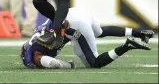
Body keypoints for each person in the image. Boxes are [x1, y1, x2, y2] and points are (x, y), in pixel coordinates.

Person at [21, 7, 154, 69]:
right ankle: (139, 32)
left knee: (94, 63)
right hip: (78, 12)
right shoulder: (38, 33)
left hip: (74, 25)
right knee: (100, 32)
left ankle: (127, 45)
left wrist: (69, 65)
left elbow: (50, 62)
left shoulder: (35, 55)